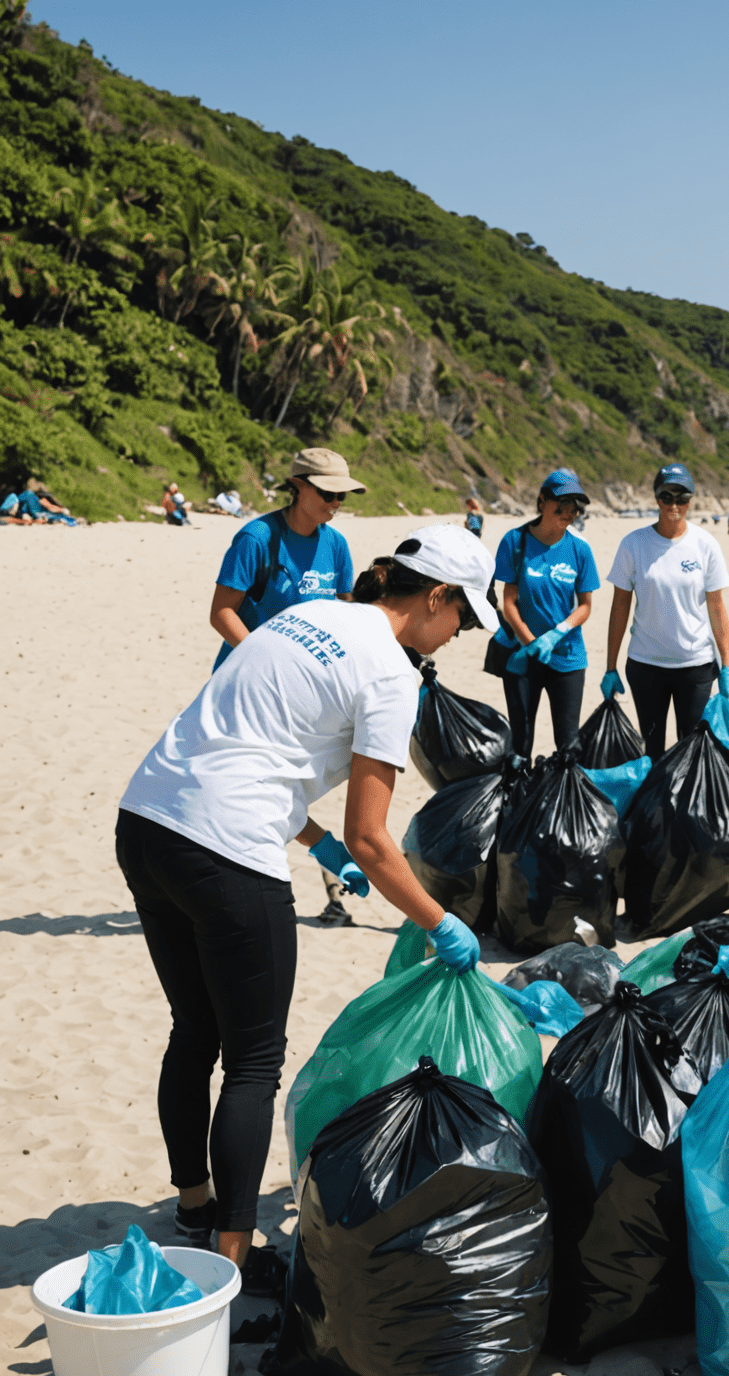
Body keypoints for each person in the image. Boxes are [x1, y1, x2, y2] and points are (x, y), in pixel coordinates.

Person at [116, 526, 497, 1292]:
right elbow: (374, 840)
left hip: (147, 822)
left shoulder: (308, 615)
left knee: (194, 1030)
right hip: (228, 851)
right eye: (465, 617)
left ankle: (194, 1204)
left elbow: (254, 747)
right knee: (253, 1063)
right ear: (436, 598)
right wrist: (438, 921)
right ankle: (231, 1255)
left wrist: (313, 839)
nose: (461, 636)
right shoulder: (393, 675)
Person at [208, 447, 361, 925]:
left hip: (307, 694)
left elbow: (346, 616)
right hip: (247, 691)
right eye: (328, 492)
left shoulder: (335, 546)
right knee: (256, 791)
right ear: (298, 487)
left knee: (294, 788)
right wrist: (263, 659)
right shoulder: (258, 538)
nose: (337, 502)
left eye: (343, 495)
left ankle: (333, 892)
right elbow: (221, 611)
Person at [603, 462, 729, 763]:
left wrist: (727, 666)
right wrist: (610, 666)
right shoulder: (633, 544)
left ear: (691, 500)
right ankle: (656, 809)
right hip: (646, 665)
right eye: (667, 497)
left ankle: (683, 810)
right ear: (656, 497)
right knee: (653, 752)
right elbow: (619, 606)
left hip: (696, 666)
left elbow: (717, 607)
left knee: (691, 750)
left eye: (682, 498)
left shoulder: (705, 545)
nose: (674, 505)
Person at [492, 468, 601, 757]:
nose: (568, 513)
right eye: (561, 505)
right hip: (523, 657)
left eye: (574, 507)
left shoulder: (580, 550)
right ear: (542, 501)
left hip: (567, 657)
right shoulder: (515, 542)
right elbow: (509, 602)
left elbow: (586, 606)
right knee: (520, 745)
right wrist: (531, 643)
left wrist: (555, 635)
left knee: (568, 745)